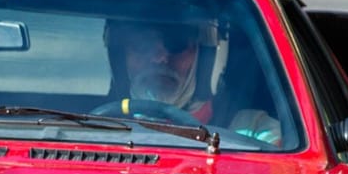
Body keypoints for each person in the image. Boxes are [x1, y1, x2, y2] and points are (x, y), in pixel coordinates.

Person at [105, 19, 282, 144]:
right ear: (121, 57)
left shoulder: (253, 133)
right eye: (141, 45)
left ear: (205, 56)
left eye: (176, 44)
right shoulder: (84, 127)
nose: (159, 58)